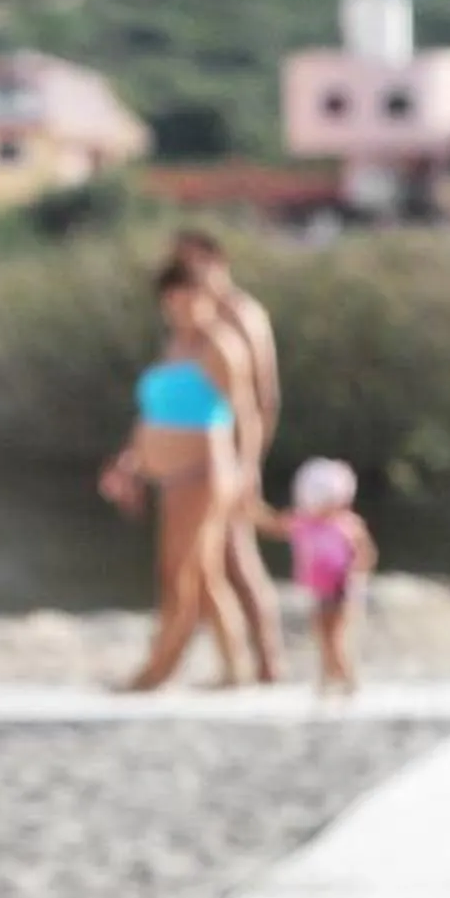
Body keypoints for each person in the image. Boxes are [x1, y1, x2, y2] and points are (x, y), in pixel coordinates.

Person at [101, 263, 262, 691]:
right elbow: (154, 415)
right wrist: (128, 462)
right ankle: (235, 667)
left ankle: (157, 669)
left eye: (189, 296)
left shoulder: (220, 346)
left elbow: (244, 413)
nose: (181, 307)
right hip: (168, 475)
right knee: (205, 575)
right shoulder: (174, 345)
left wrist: (248, 470)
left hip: (203, 473)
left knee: (177, 573)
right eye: (172, 298)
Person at [169, 230, 286, 684]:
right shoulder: (198, 319)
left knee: (238, 555)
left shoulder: (242, 314)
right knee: (214, 560)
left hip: (232, 453)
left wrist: (250, 462)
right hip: (201, 453)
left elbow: (261, 398)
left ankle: (268, 662)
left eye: (194, 262)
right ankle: (242, 662)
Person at [257, 458, 377, 697]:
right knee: (322, 633)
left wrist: (355, 578)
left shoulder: (347, 525)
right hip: (320, 589)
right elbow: (272, 524)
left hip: (342, 588)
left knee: (336, 635)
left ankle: (346, 679)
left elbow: (366, 554)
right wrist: (249, 505)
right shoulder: (304, 523)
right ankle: (328, 679)